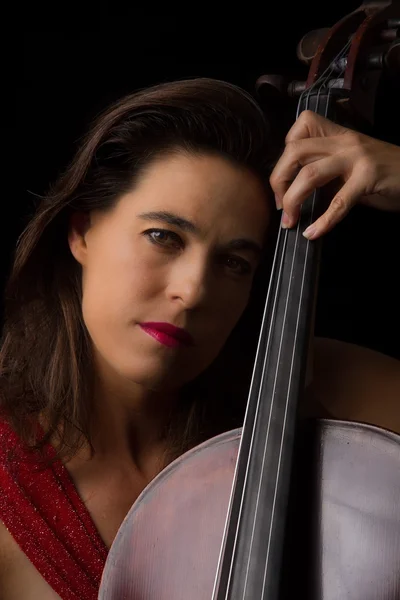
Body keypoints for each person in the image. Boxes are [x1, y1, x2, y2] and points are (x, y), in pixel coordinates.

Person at [0, 77, 399, 600]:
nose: (193, 291)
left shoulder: (303, 389)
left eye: (234, 263)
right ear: (83, 233)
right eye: (163, 237)